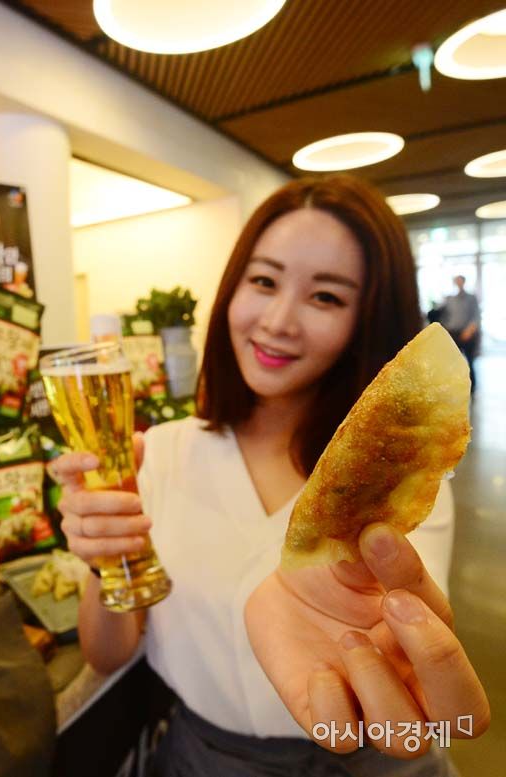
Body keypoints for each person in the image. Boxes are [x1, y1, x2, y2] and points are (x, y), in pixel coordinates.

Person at [53, 175, 489, 776]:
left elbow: (400, 655)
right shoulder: (159, 455)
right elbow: (108, 655)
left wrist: (397, 664)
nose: (279, 320)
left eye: (326, 297)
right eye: (264, 281)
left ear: (367, 320)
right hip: (205, 760)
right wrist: (107, 558)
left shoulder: (392, 486)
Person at [441, 275, 480, 392]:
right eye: (456, 281)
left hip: (467, 334)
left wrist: (469, 330)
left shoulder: (471, 298)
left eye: (460, 281)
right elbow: (443, 316)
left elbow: (476, 316)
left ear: (464, 282)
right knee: (452, 362)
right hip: (453, 334)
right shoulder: (449, 299)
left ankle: (472, 388)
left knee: (470, 362)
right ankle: (456, 388)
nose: (458, 283)